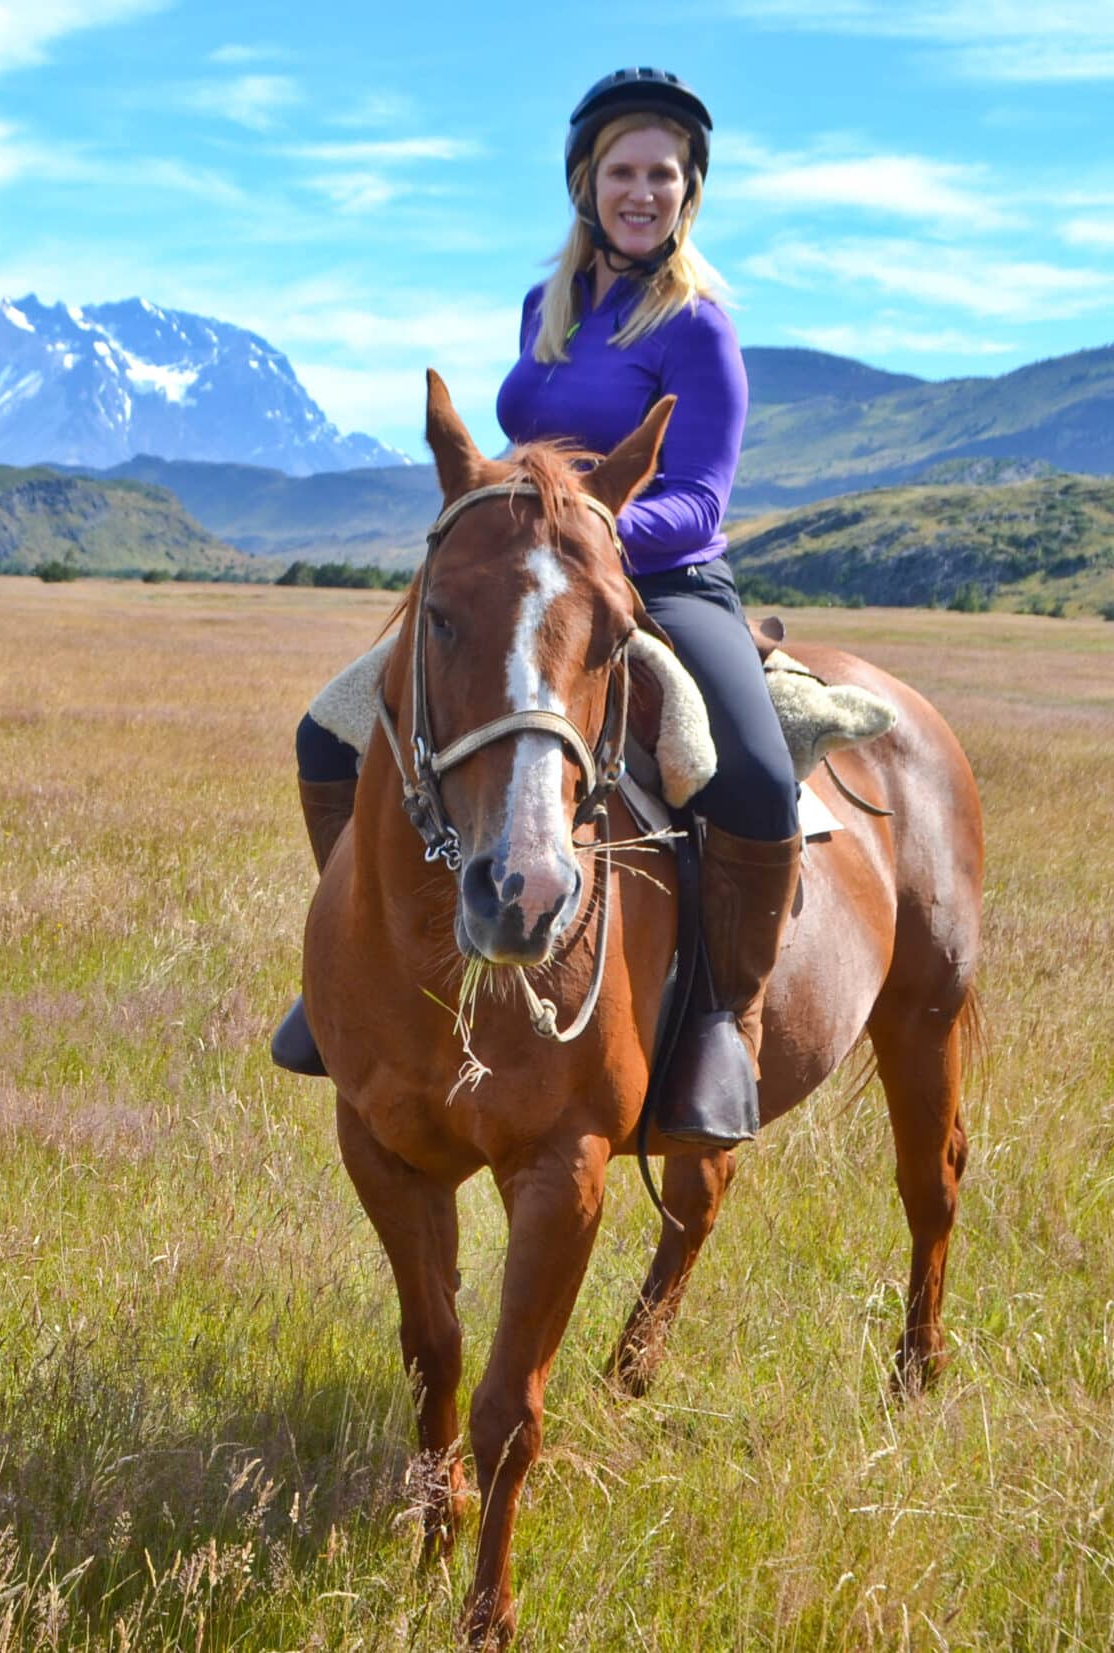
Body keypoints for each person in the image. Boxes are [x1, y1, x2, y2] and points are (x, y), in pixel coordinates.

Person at [272, 68, 801, 1149]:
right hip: (532, 577)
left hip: (659, 580)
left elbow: (700, 499)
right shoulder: (546, 308)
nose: (641, 192)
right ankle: (359, 977)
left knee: (753, 779)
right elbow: (527, 448)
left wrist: (583, 539)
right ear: (585, 185)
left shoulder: (698, 326)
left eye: (664, 175)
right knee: (329, 735)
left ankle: (720, 1020)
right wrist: (516, 532)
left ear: (688, 193)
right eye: (623, 172)